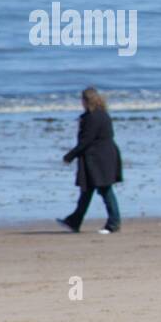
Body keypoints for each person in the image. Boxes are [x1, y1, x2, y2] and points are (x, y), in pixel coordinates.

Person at [57, 86, 123, 234]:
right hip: (102, 156)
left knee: (105, 190)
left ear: (87, 100)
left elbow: (87, 140)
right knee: (86, 191)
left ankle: (114, 223)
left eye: (82, 100)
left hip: (99, 158)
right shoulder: (101, 114)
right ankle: (74, 221)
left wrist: (70, 156)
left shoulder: (93, 117)